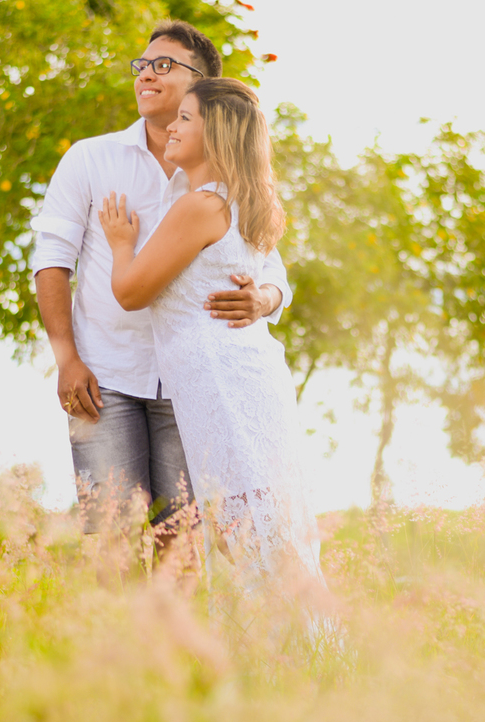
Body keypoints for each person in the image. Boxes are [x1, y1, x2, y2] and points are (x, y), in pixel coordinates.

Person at [30, 21, 292, 544]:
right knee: (111, 538)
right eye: (142, 65)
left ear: (201, 84)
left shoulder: (221, 180)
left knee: (182, 543)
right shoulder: (90, 158)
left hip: (191, 383)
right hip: (104, 376)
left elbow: (269, 268)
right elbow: (52, 260)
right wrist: (66, 359)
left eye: (163, 65)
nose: (145, 74)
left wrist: (262, 300)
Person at [97, 78, 324, 592]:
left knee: (243, 530)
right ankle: (303, 632)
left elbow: (131, 293)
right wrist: (268, 297)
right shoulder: (246, 205)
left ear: (216, 134)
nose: (171, 128)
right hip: (243, 372)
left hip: (219, 380)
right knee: (257, 528)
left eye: (185, 118)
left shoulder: (200, 206)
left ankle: (297, 633)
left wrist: (121, 243)